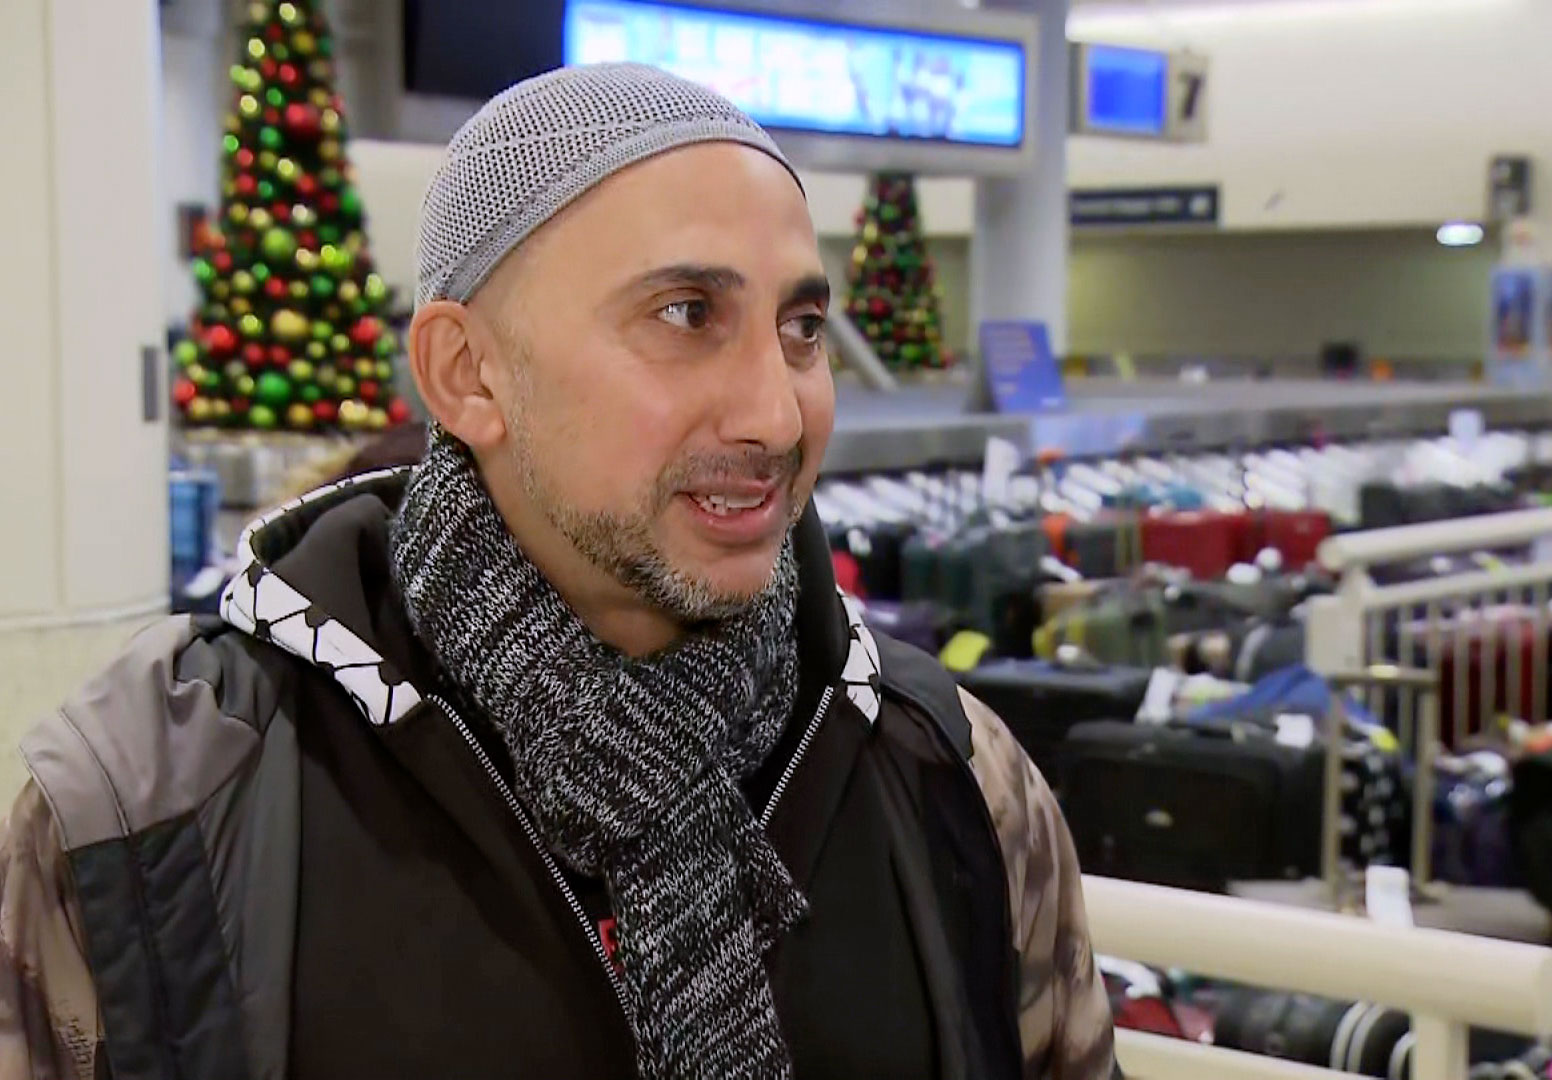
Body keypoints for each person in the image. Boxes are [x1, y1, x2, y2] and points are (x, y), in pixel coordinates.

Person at [0, 64, 1117, 1080]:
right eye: (686, 315)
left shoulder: (953, 776)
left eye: (801, 325)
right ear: (466, 373)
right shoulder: (157, 800)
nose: (777, 412)